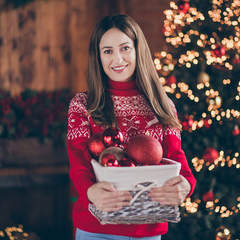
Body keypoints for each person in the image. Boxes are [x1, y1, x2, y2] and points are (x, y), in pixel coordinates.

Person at [67, 14, 196, 240]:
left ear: (138, 50)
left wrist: (187, 185)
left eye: (125, 48)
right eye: (107, 51)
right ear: (97, 56)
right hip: (97, 229)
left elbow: (175, 156)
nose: (117, 58)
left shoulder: (163, 105)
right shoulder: (83, 105)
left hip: (148, 230)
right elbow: (78, 161)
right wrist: (90, 191)